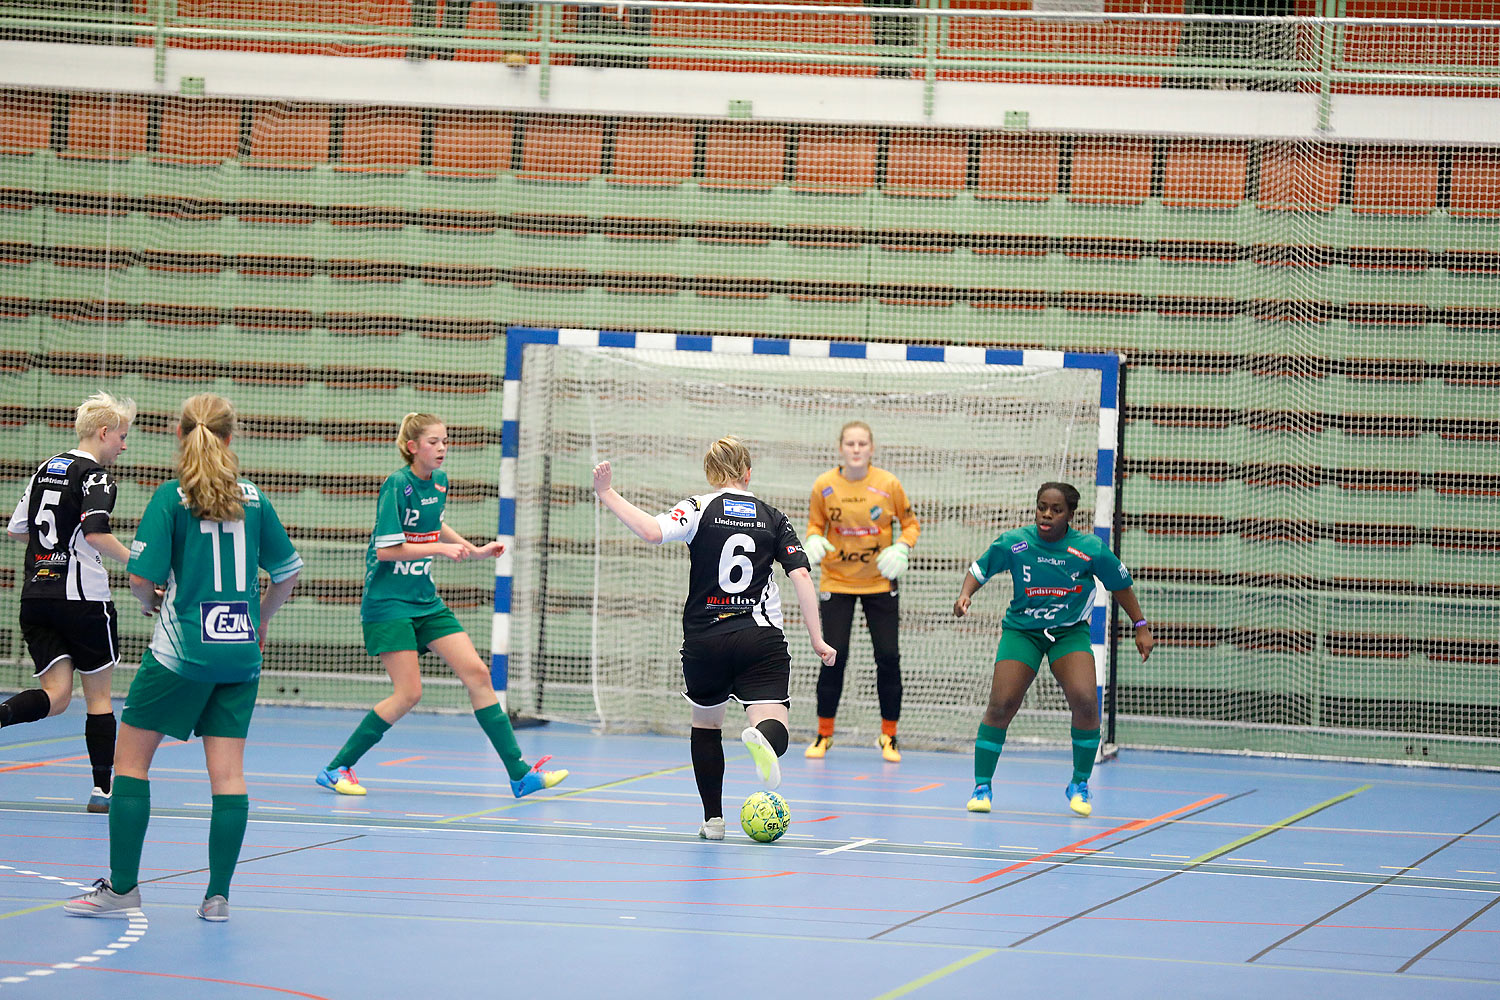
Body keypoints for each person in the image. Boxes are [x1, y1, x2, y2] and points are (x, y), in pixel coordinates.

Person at [64, 393, 302, 921]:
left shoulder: (172, 498)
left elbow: (142, 578)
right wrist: (260, 619)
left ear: (179, 435)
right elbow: (286, 573)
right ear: (231, 437)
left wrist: (150, 602)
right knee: (229, 777)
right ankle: (217, 897)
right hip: (240, 654)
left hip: (181, 653)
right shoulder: (256, 499)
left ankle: (123, 887)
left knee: (129, 765)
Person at [592, 437, 837, 841]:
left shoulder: (697, 507)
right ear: (748, 473)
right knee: (774, 722)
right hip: (760, 637)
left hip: (706, 639)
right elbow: (802, 577)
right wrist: (818, 639)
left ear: (709, 473)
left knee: (706, 724)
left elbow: (652, 531)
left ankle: (714, 820)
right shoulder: (774, 517)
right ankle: (763, 740)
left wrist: (608, 493)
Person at [315, 413, 566, 800]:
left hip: (425, 600)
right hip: (389, 603)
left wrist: (473, 549)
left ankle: (519, 774)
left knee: (478, 674)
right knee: (408, 694)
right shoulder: (398, 485)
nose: (443, 448)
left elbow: (436, 525)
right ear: (412, 447)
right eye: (434, 441)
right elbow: (385, 550)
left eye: (445, 441)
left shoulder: (441, 483)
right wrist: (439, 548)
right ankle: (336, 768)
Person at [952, 482, 1153, 818]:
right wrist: (965, 594)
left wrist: (1140, 625)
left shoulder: (1089, 549)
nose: (1046, 514)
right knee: (1001, 704)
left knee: (1086, 700)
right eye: (1041, 506)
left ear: (1070, 515)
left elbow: (1121, 585)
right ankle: (982, 786)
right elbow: (980, 569)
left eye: (1055, 509)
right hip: (1023, 632)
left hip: (1068, 633)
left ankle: (1079, 784)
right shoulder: (1015, 543)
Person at [3, 390, 136, 814]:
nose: (124, 445)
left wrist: (54, 548)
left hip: (36, 596)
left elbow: (18, 529)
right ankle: (102, 792)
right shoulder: (96, 475)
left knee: (57, 696)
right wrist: (141, 561)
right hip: (82, 600)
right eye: (122, 436)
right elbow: (95, 532)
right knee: (98, 699)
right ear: (103, 432)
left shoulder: (46, 468)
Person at [801, 421, 919, 763]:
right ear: (841, 447)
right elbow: (814, 523)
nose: (856, 449)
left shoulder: (888, 484)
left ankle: (890, 736)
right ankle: (824, 734)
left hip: (880, 583)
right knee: (832, 657)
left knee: (888, 658)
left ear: (871, 448)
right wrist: (812, 539)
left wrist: (902, 548)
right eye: (850, 443)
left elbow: (911, 524)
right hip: (837, 582)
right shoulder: (824, 485)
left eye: (862, 443)